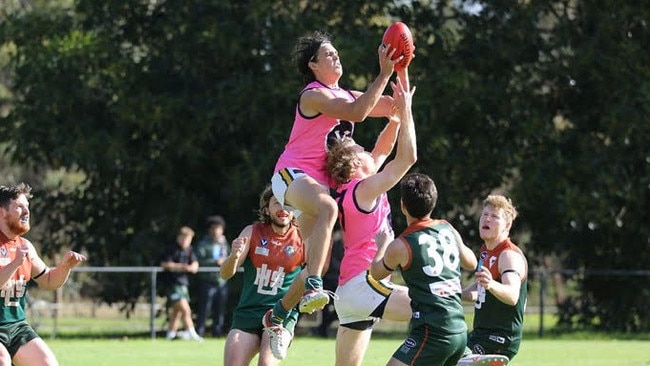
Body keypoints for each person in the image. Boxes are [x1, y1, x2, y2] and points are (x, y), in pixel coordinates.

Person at [270, 30, 402, 315]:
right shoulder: (313, 95)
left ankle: (278, 314)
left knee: (317, 260)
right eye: (328, 54)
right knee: (328, 208)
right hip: (291, 175)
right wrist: (383, 74)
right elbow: (357, 112)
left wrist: (401, 70)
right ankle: (315, 287)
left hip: (316, 188)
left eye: (335, 52)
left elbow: (394, 108)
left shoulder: (345, 94)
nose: (336, 55)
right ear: (313, 66)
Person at [326, 70, 417, 366]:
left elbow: (382, 150)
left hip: (350, 293)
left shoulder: (351, 188)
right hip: (364, 285)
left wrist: (395, 121)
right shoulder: (363, 189)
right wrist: (407, 112)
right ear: (354, 164)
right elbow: (405, 160)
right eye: (360, 150)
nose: (367, 151)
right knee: (435, 306)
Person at [369, 173, 479, 366]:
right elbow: (471, 263)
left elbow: (376, 274)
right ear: (433, 202)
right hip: (460, 329)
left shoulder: (401, 245)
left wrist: (381, 246)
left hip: (432, 332)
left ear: (403, 205)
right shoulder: (447, 229)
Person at [0, 183, 87, 365]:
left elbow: (48, 281)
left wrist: (64, 268)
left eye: (28, 207)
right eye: (19, 207)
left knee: (48, 363)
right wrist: (16, 263)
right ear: (1, 212)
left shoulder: (25, 246)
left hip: (16, 326)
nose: (27, 212)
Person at [221, 186, 305, 365]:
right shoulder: (252, 231)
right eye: (277, 203)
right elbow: (225, 274)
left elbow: (312, 273)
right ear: (267, 209)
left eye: (287, 204)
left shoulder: (303, 236)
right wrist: (233, 256)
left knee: (266, 364)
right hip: (248, 313)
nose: (282, 209)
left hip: (281, 315)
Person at [458, 195, 527, 365]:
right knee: (441, 350)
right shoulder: (485, 251)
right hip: (480, 334)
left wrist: (491, 284)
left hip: (499, 338)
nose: (487, 219)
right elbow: (478, 291)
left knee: (455, 361)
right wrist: (455, 293)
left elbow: (512, 296)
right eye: (484, 214)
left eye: (495, 216)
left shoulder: (508, 255)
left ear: (507, 225)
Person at [159, 226, 203, 341]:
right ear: (178, 238)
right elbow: (165, 264)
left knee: (177, 312)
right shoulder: (171, 249)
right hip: (173, 284)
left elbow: (195, 263)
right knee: (185, 309)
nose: (186, 241)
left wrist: (193, 266)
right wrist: (181, 267)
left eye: (188, 239)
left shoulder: (189, 250)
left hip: (183, 284)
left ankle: (170, 335)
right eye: (184, 238)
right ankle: (192, 334)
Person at [193, 215, 230, 337]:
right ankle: (200, 332)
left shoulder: (225, 245)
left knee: (220, 310)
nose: (216, 231)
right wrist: (215, 262)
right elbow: (199, 259)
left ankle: (217, 333)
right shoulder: (203, 244)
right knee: (204, 308)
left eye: (218, 228)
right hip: (207, 281)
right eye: (213, 228)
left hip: (222, 281)